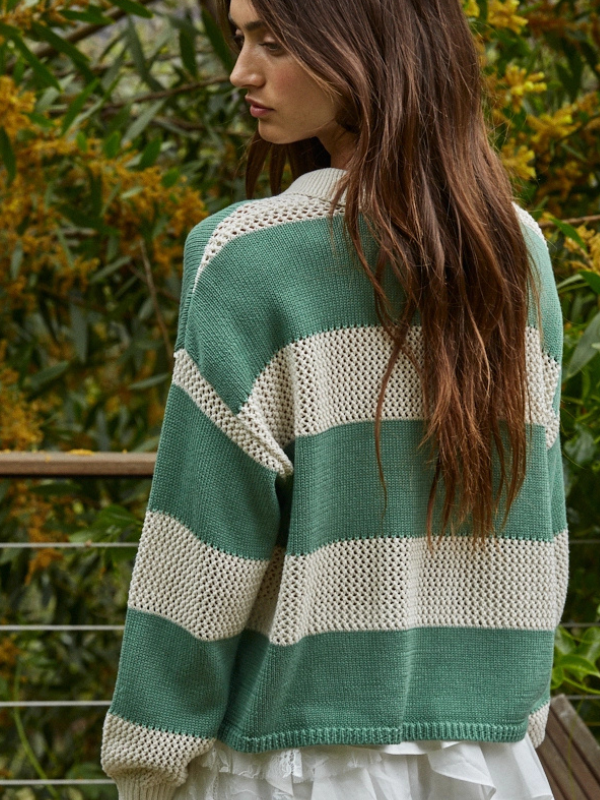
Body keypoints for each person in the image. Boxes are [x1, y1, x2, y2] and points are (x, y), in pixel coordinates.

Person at [100, 0, 568, 797]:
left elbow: (202, 542)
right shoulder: (515, 244)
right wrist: (508, 720)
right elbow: (540, 520)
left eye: (274, 43)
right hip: (486, 760)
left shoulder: (246, 258)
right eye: (240, 37)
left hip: (291, 763)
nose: (242, 70)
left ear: (367, 46)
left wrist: (147, 760)